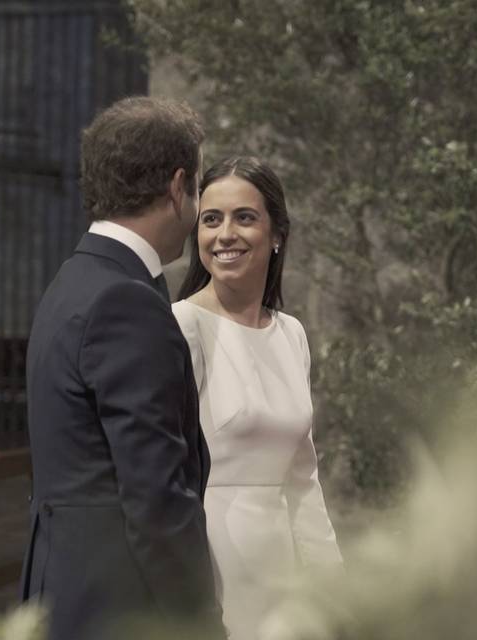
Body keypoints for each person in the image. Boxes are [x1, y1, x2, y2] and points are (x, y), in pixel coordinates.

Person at [21, 96, 222, 640]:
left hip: (67, 588)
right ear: (178, 187)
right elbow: (155, 496)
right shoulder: (125, 301)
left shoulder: (74, 280)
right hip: (120, 606)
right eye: (199, 188)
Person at [173, 157, 343, 640]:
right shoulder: (181, 326)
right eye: (211, 219)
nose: (225, 233)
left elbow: (304, 479)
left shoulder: (291, 332)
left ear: (276, 235)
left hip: (285, 573)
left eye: (244, 217)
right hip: (213, 573)